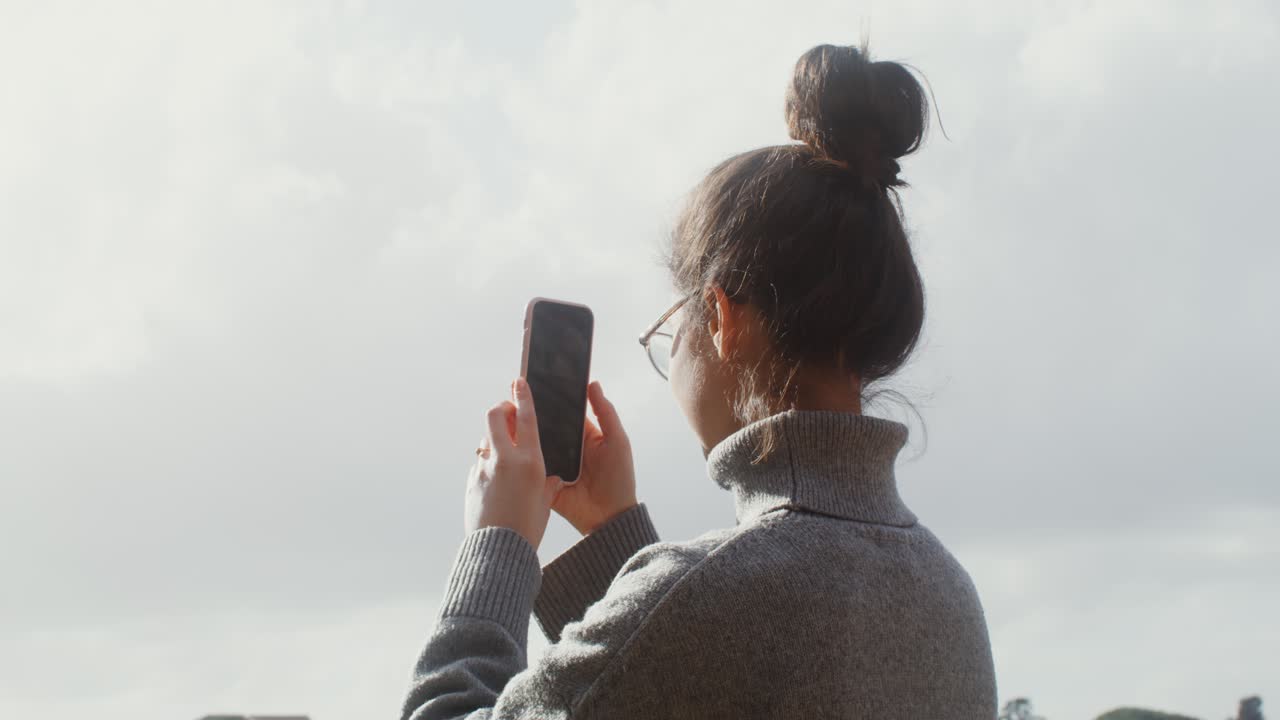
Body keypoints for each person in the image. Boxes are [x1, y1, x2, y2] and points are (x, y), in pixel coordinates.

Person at [401, 42, 997, 719]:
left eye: (672, 321)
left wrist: (497, 546)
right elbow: (690, 674)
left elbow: (697, 632)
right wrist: (617, 543)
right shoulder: (950, 594)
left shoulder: (702, 596)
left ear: (720, 317)